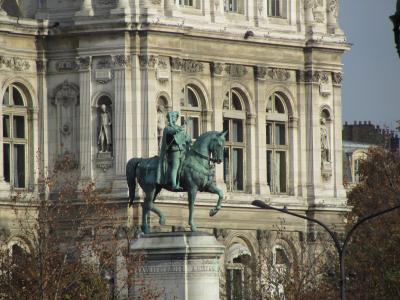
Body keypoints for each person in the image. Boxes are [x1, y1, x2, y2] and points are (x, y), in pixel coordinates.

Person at [156, 111, 191, 190]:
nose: (174, 119)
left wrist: (188, 138)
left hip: (182, 151)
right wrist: (173, 124)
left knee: (183, 167)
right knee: (175, 167)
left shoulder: (178, 127)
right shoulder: (167, 128)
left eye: (175, 117)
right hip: (173, 151)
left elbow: (183, 135)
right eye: (173, 117)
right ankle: (174, 185)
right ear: (170, 119)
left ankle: (181, 182)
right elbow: (173, 132)